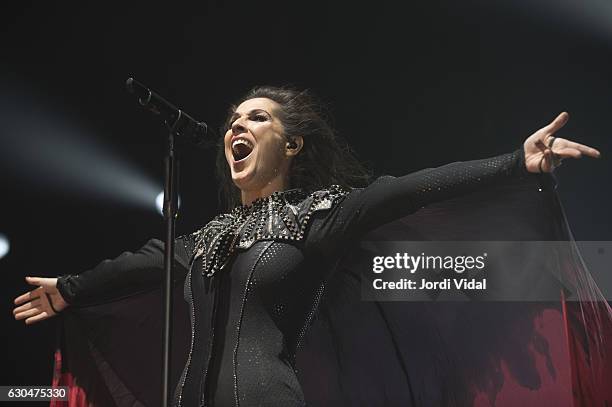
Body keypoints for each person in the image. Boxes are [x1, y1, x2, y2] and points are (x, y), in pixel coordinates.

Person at [13, 86, 606, 407]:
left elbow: (413, 189)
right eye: (232, 120)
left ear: (292, 145)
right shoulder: (209, 238)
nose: (235, 127)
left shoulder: (322, 217)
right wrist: (70, 290)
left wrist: (513, 161)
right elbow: (144, 262)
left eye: (257, 117)